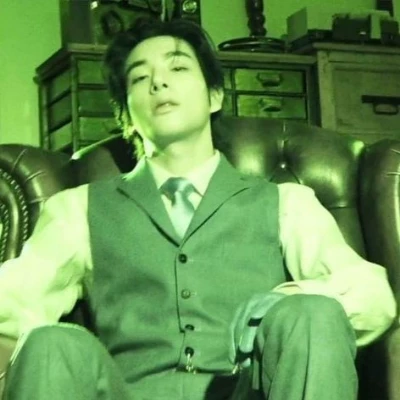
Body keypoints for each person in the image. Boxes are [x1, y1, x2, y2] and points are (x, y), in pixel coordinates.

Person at [0, 17, 396, 400]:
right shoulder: (77, 209)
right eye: (139, 77)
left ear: (214, 96)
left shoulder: (286, 202)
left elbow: (373, 296)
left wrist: (291, 299)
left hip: (249, 392)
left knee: (313, 312)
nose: (158, 82)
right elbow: (13, 298)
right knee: (50, 342)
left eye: (177, 67)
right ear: (126, 115)